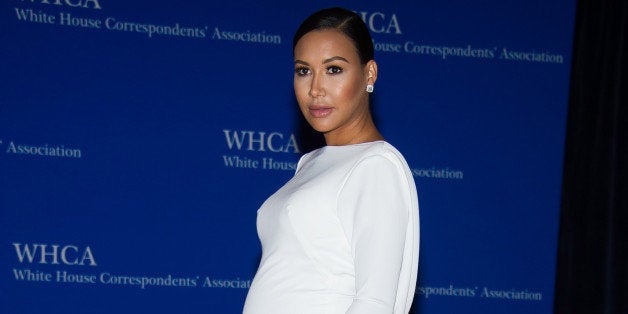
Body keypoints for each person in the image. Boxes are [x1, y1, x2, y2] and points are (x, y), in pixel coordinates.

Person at [243, 7, 419, 314]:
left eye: (333, 69)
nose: (315, 89)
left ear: (369, 74)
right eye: (303, 70)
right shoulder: (309, 164)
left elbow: (375, 303)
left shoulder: (376, 164)